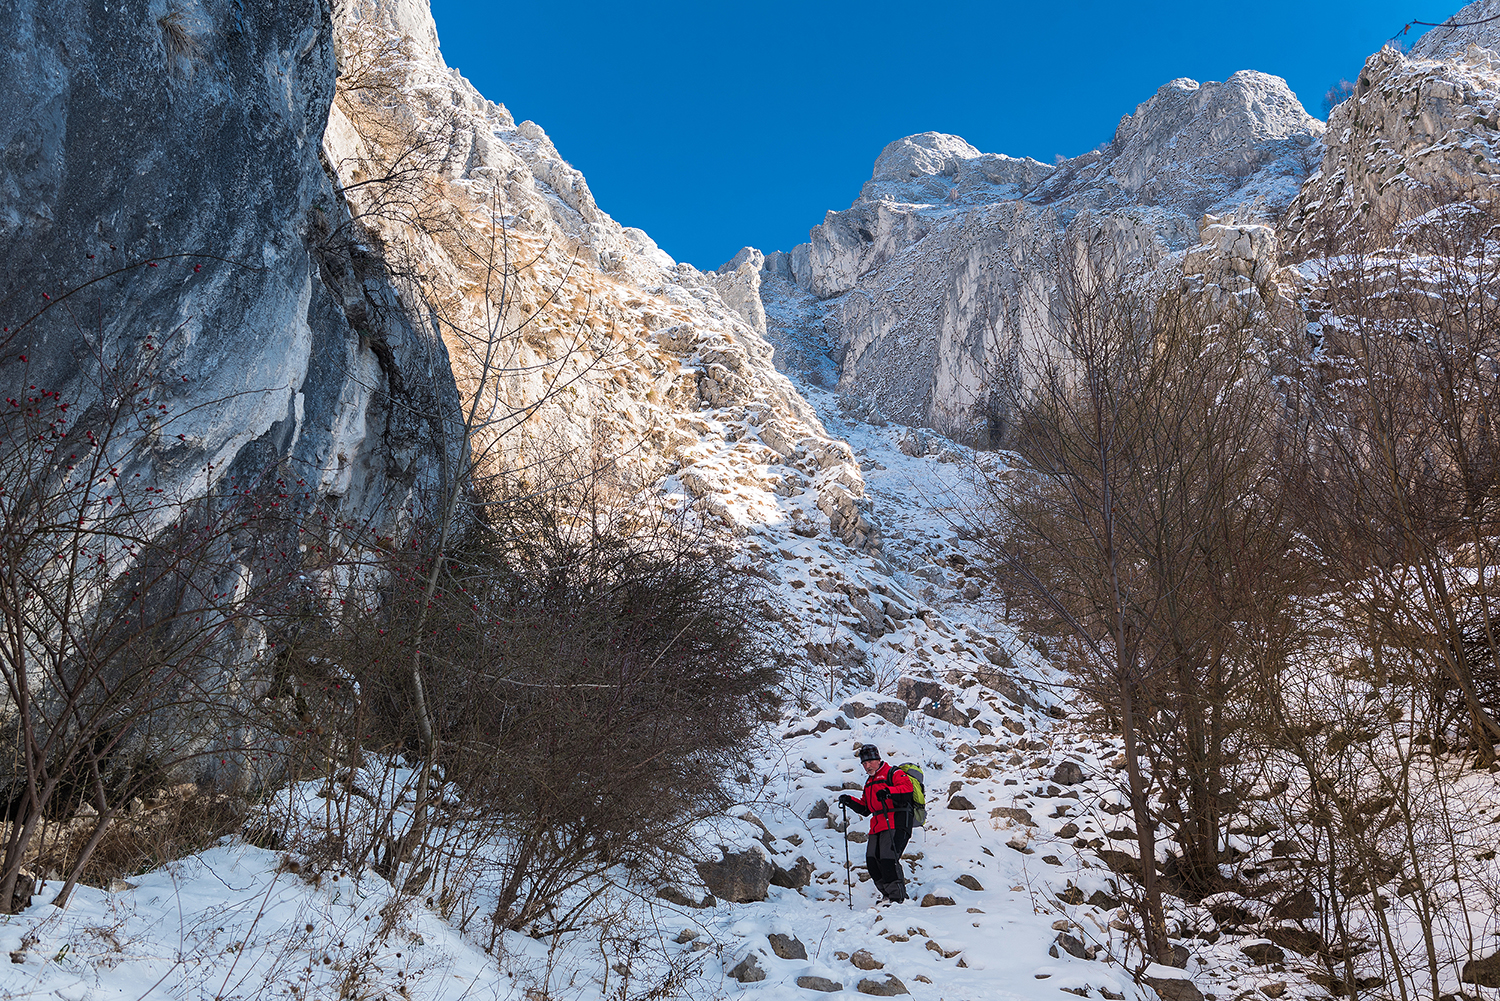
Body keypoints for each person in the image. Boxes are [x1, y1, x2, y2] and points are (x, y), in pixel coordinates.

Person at [838, 744, 914, 904]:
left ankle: (898, 898)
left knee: (888, 858)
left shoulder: (893, 773)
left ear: (878, 760)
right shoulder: (869, 783)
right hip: (877, 824)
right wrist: (849, 800)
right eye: (864, 764)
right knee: (872, 861)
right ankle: (887, 895)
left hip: (896, 821)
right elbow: (866, 809)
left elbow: (907, 790)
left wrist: (888, 792)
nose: (867, 766)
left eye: (869, 762)